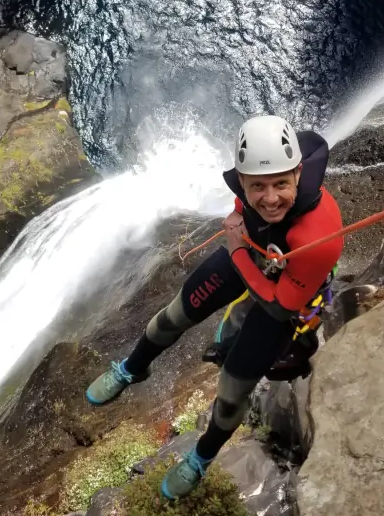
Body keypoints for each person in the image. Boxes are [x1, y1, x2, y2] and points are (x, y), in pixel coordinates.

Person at [86, 115, 344, 499]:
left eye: (280, 185)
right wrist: (242, 229)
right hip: (255, 257)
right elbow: (247, 207)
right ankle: (132, 369)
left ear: (298, 172)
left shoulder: (318, 236)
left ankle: (200, 459)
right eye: (257, 186)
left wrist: (237, 248)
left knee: (232, 391)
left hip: (283, 291)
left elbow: (276, 306)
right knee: (174, 315)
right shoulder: (253, 189)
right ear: (242, 180)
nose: (270, 198)